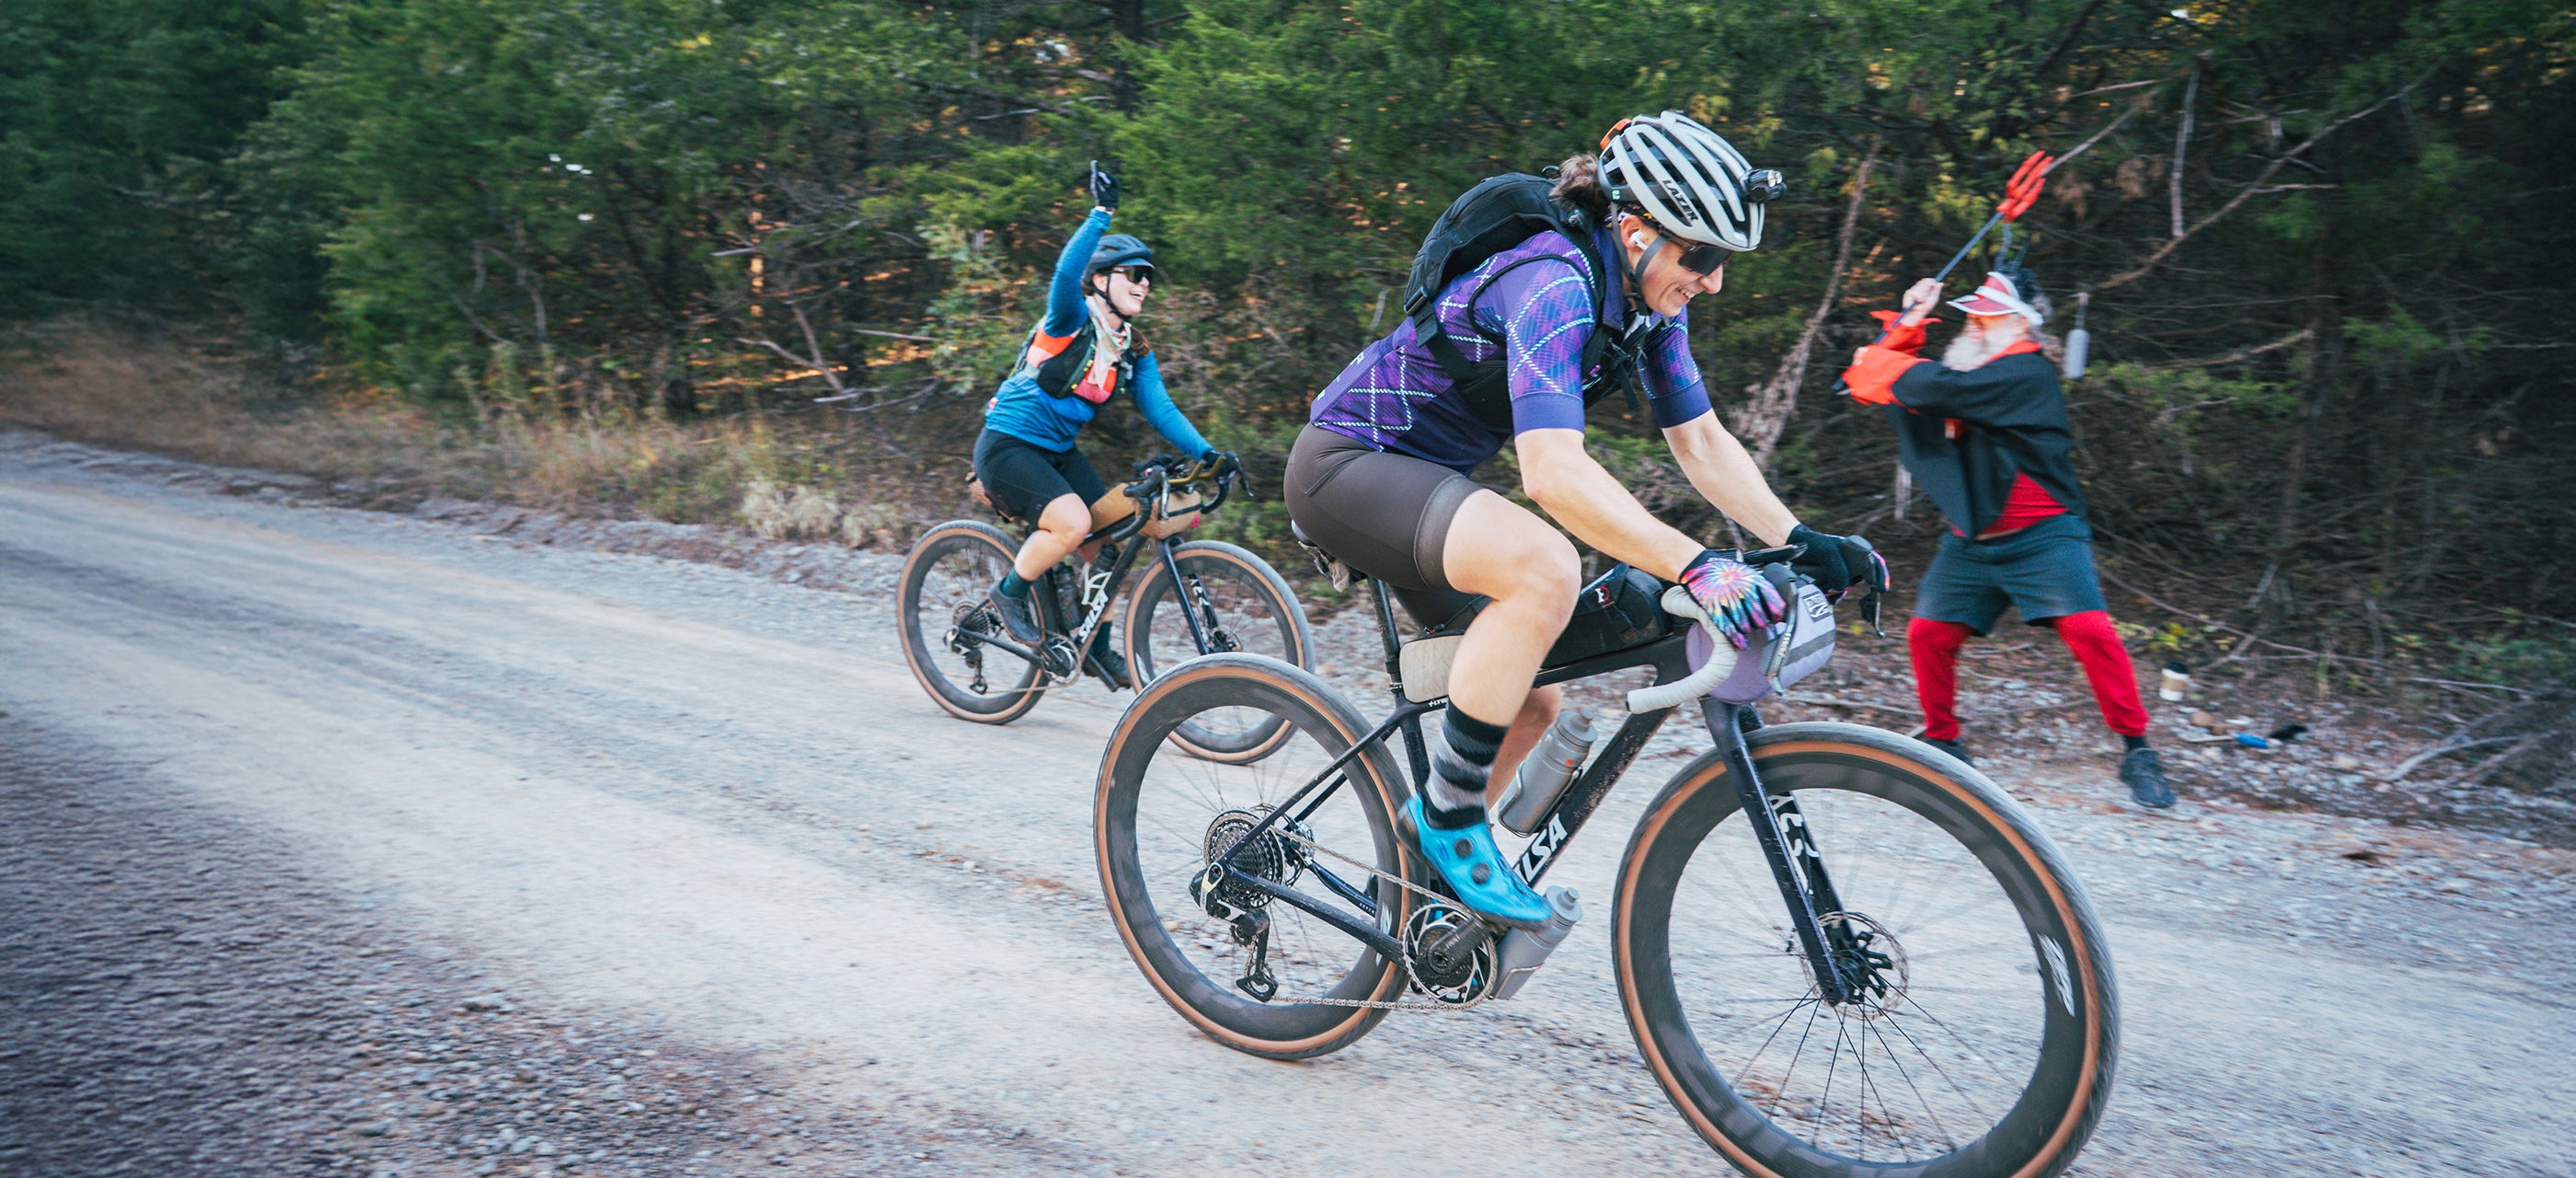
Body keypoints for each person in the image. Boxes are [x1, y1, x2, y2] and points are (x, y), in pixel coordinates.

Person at [1285, 111, 1888, 927]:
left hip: (1420, 478)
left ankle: (1405, 891)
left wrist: (1797, 540)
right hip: (1342, 470)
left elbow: (1702, 441)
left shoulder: (1647, 306)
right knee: (1546, 566)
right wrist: (1697, 564)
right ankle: (1451, 823)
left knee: (1527, 703)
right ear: (1636, 232)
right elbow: (1553, 473)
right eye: (1700, 256)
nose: (1713, 281)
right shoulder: (1556, 283)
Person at [1839, 266, 2175, 808]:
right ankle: (1945, 741)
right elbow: (1920, 391)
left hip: (2045, 536)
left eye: (1988, 316)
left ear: (2021, 324)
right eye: (1971, 314)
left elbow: (1940, 389)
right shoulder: (1978, 371)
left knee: (2090, 631)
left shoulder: (2025, 372)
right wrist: (1910, 321)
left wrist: (1878, 361)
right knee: (1929, 633)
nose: (1974, 323)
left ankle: (2139, 751)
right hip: (1974, 539)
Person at [974, 162, 1233, 687]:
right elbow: (1064, 275)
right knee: (1071, 524)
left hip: (1056, 451)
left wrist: (1209, 454)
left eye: (1148, 277)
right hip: (1008, 446)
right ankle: (1009, 593)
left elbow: (1161, 411)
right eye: (1132, 274)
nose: (1143, 283)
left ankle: (1095, 646)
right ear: (1101, 280)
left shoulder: (1132, 351)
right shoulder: (1069, 318)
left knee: (1108, 541)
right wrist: (1100, 214)